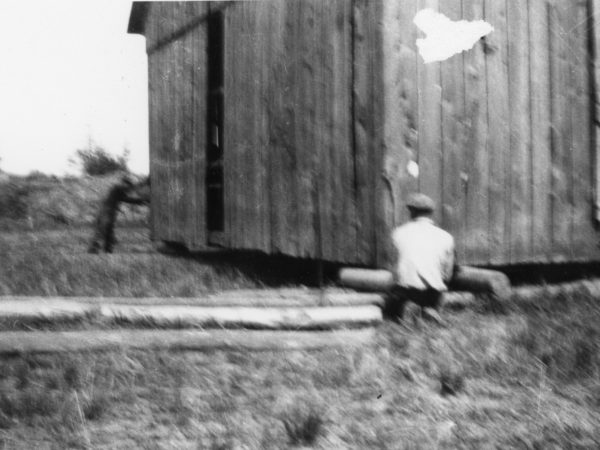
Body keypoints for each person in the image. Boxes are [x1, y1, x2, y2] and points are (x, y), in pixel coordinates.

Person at [388, 193, 456, 324]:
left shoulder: (398, 233)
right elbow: (447, 274)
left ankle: (409, 307)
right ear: (431, 213)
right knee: (435, 289)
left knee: (396, 295)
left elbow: (393, 267)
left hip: (407, 289)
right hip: (433, 290)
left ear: (411, 211)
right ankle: (429, 309)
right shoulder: (446, 237)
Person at [88, 176, 149, 254]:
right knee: (102, 230)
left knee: (108, 231)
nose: (129, 188)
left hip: (109, 211)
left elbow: (127, 199)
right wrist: (141, 184)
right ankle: (94, 248)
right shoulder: (117, 187)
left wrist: (142, 201)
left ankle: (108, 250)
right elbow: (129, 189)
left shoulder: (118, 192)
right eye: (128, 185)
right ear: (124, 183)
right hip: (106, 211)